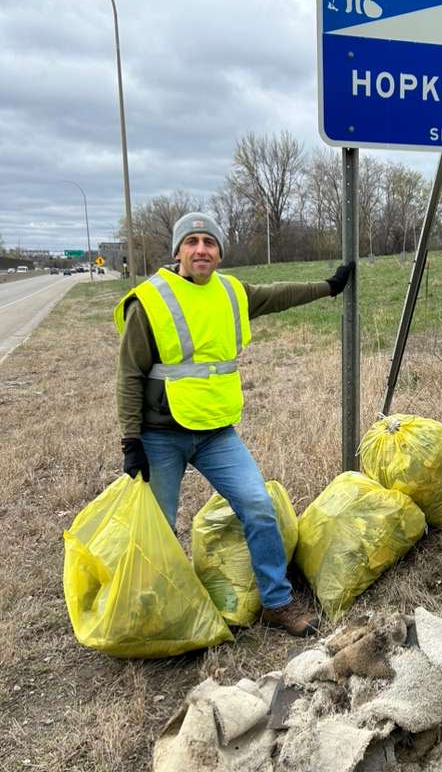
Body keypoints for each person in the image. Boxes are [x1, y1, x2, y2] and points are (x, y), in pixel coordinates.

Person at [114, 211, 353, 636]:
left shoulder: (230, 291)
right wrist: (131, 439)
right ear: (177, 251)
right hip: (160, 436)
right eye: (192, 242)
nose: (201, 249)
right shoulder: (149, 301)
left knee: (258, 507)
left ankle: (277, 602)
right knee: (161, 529)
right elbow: (130, 374)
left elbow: (277, 294)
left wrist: (329, 288)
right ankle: (156, 612)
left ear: (220, 253)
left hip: (215, 432)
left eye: (209, 242)